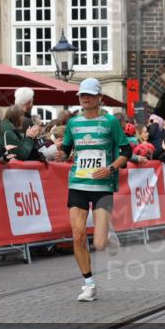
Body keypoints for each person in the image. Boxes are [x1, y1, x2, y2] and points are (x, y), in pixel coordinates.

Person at [55, 78, 131, 302]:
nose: (85, 98)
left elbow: (126, 151)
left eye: (89, 94)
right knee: (78, 236)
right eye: (81, 95)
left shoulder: (110, 122)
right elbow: (67, 151)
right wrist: (59, 153)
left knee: (98, 243)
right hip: (78, 183)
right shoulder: (73, 123)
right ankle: (89, 284)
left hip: (102, 185)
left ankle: (108, 234)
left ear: (100, 98)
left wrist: (110, 168)